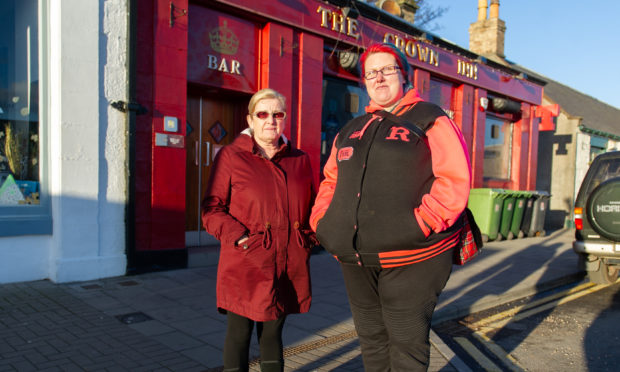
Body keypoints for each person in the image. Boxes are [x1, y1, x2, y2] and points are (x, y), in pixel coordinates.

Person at [310, 43, 471, 371]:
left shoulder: (430, 118)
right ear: (364, 82)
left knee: (406, 347)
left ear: (405, 76)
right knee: (371, 341)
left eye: (387, 70)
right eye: (371, 72)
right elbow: (330, 181)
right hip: (356, 261)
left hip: (413, 259)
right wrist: (322, 222)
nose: (378, 77)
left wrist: (422, 222)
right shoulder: (350, 129)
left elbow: (454, 179)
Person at [202, 88, 316, 372]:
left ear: (285, 119)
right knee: (239, 334)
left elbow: (313, 207)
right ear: (250, 120)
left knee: (273, 334)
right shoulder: (231, 155)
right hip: (246, 262)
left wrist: (308, 238)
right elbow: (211, 209)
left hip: (287, 262)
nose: (270, 120)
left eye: (277, 114)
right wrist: (241, 238)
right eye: (262, 114)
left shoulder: (300, 159)